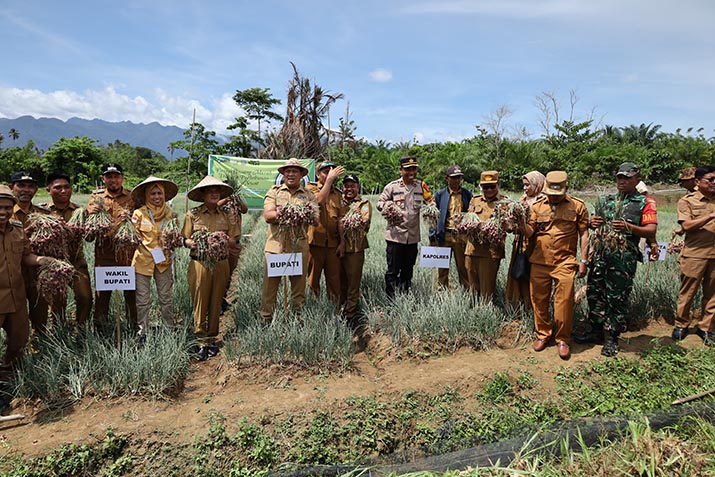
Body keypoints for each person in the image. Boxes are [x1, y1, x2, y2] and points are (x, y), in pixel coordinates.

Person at [577, 162, 658, 357]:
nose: (622, 181)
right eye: (619, 177)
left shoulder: (645, 203)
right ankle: (595, 331)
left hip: (623, 259)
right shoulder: (607, 200)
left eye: (627, 178)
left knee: (617, 298)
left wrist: (629, 228)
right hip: (600, 257)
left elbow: (651, 230)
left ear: (637, 179)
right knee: (595, 294)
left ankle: (612, 337)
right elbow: (595, 224)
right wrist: (592, 223)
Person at [523, 171, 589, 360]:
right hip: (539, 261)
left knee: (564, 303)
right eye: (550, 193)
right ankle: (543, 334)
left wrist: (583, 260)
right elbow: (529, 232)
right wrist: (518, 223)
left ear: (566, 189)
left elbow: (584, 233)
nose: (553, 197)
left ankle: (563, 339)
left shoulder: (577, 206)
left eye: (557, 194)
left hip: (565, 262)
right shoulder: (537, 206)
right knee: (539, 300)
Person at [183, 176, 241, 360]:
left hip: (221, 262)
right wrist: (197, 243)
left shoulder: (227, 215)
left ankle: (212, 337)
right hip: (200, 262)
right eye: (210, 191)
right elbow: (185, 239)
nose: (214, 194)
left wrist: (219, 239)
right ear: (203, 194)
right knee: (200, 300)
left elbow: (234, 240)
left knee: (216, 300)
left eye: (217, 191)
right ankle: (200, 340)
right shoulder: (193, 215)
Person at [260, 159, 318, 322]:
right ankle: (266, 319)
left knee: (298, 288)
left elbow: (315, 219)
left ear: (301, 175)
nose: (291, 174)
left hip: (299, 247)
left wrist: (303, 213)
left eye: (295, 171)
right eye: (288, 171)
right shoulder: (274, 191)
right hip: (276, 247)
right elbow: (268, 215)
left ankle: (298, 319)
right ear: (283, 174)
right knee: (270, 288)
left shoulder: (308, 195)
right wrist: (291, 213)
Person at [0, 185, 50, 376]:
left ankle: (8, 376)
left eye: (7, 207)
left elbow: (25, 256)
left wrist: (41, 260)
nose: (3, 212)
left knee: (19, 340)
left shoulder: (17, 230)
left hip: (17, 298)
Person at [87, 164, 137, 329]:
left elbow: (140, 222)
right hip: (104, 254)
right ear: (103, 179)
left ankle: (133, 326)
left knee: (131, 293)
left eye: (116, 176)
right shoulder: (96, 198)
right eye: (109, 176)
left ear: (122, 178)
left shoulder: (132, 197)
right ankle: (100, 328)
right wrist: (91, 214)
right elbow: (89, 232)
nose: (113, 180)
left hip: (127, 254)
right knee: (102, 294)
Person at [41, 172, 93, 329]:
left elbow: (89, 238)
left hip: (76, 262)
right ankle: (59, 330)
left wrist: (94, 219)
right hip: (54, 264)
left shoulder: (80, 211)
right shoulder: (41, 212)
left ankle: (81, 329)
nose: (63, 191)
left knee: (85, 298)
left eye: (66, 187)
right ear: (48, 190)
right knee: (57, 302)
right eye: (58, 188)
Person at [376, 156, 434, 298]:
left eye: (413, 169)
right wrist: (387, 206)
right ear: (401, 170)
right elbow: (379, 203)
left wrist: (432, 207)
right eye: (407, 169)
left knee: (408, 270)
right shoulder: (392, 187)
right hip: (395, 236)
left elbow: (430, 201)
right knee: (393, 270)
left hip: (412, 237)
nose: (411, 172)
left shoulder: (421, 186)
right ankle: (391, 299)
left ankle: (405, 296)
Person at [130, 176, 179, 339]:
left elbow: (175, 238)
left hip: (163, 262)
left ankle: (169, 328)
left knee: (166, 297)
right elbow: (133, 237)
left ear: (164, 195)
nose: (157, 197)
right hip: (142, 262)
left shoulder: (171, 214)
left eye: (159, 193)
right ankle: (142, 330)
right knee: (143, 299)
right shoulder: (138, 214)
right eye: (153, 194)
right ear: (146, 196)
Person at [672, 166, 715, 345]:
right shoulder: (687, 201)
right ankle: (681, 324)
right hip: (694, 254)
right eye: (710, 179)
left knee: (712, 294)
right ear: (697, 182)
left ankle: (706, 327)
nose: (714, 183)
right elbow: (687, 226)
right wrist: (711, 215)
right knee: (687, 292)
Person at [10, 171, 50, 333]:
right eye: (21, 185)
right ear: (11, 187)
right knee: (15, 318)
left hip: (37, 272)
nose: (26, 190)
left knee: (40, 314)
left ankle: (40, 348)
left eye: (31, 186)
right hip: (12, 273)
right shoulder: (5, 211)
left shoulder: (45, 214)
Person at [465, 170, 507, 301]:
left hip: (490, 252)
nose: (488, 190)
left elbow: (506, 226)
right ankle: (472, 313)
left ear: (498, 185)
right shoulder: (475, 200)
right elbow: (468, 220)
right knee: (472, 287)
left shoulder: (504, 202)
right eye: (485, 187)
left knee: (487, 289)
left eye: (492, 186)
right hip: (472, 249)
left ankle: (485, 314)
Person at [505, 171, 546, 307]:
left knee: (532, 276)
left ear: (537, 184)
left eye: (527, 185)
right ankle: (517, 307)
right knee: (518, 272)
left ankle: (531, 308)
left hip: (536, 246)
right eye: (524, 185)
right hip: (520, 244)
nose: (525, 188)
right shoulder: (522, 200)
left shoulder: (544, 201)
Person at [306, 161, 345, 302]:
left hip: (333, 245)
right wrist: (328, 181)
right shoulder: (310, 189)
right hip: (314, 243)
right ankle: (313, 312)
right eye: (325, 171)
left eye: (332, 171)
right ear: (317, 175)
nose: (330, 173)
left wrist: (342, 242)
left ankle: (334, 312)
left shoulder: (337, 193)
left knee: (334, 282)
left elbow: (340, 218)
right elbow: (318, 201)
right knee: (312, 281)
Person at [431, 165, 472, 290]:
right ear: (447, 178)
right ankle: (441, 291)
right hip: (445, 235)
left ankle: (466, 291)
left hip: (461, 236)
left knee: (463, 267)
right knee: (442, 268)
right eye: (453, 178)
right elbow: (434, 217)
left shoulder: (467, 194)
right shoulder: (440, 195)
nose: (456, 180)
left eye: (459, 177)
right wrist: (432, 236)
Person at [338, 174, 371, 329]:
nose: (349, 189)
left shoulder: (364, 204)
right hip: (337, 248)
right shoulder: (339, 201)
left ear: (358, 187)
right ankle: (340, 309)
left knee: (353, 282)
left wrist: (352, 218)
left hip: (355, 248)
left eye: (353, 185)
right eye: (346, 185)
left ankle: (350, 314)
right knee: (339, 282)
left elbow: (365, 222)